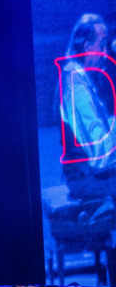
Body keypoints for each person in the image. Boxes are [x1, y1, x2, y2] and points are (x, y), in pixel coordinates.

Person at [57, 13, 116, 200]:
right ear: (86, 47)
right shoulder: (75, 86)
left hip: (93, 174)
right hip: (86, 180)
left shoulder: (81, 78)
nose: (106, 52)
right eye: (102, 44)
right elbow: (101, 153)